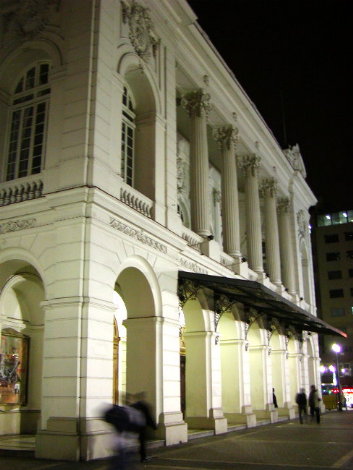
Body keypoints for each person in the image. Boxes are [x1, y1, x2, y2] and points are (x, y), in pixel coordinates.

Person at [131, 392, 157, 463]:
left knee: (140, 441)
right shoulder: (144, 406)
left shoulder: (133, 406)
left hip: (135, 426)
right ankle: (143, 457)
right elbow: (148, 417)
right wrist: (153, 426)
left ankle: (141, 455)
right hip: (142, 426)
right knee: (142, 442)